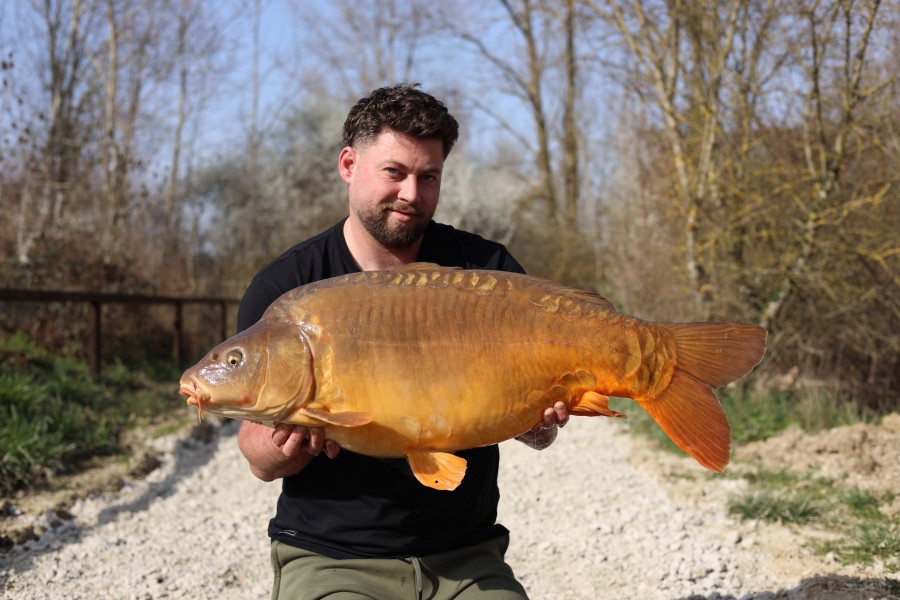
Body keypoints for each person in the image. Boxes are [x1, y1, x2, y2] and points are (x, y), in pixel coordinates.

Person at [236, 83, 569, 600]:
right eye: (394, 172)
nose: (412, 194)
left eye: (428, 176)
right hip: (333, 556)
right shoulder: (288, 289)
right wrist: (294, 439)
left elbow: (542, 437)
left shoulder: (488, 273)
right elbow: (258, 459)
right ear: (349, 164)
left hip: (466, 555)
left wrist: (535, 419)